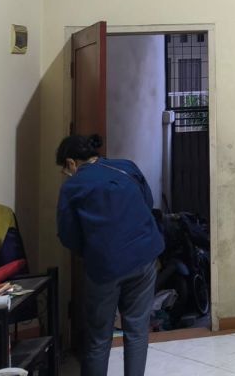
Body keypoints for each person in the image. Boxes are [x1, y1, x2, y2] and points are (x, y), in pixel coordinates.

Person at [56, 134, 164, 376]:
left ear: (71, 163)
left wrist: (91, 251)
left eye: (65, 169)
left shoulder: (72, 186)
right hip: (144, 256)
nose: (66, 174)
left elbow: (67, 234)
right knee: (137, 331)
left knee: (98, 337)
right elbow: (147, 202)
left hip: (105, 266)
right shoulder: (126, 167)